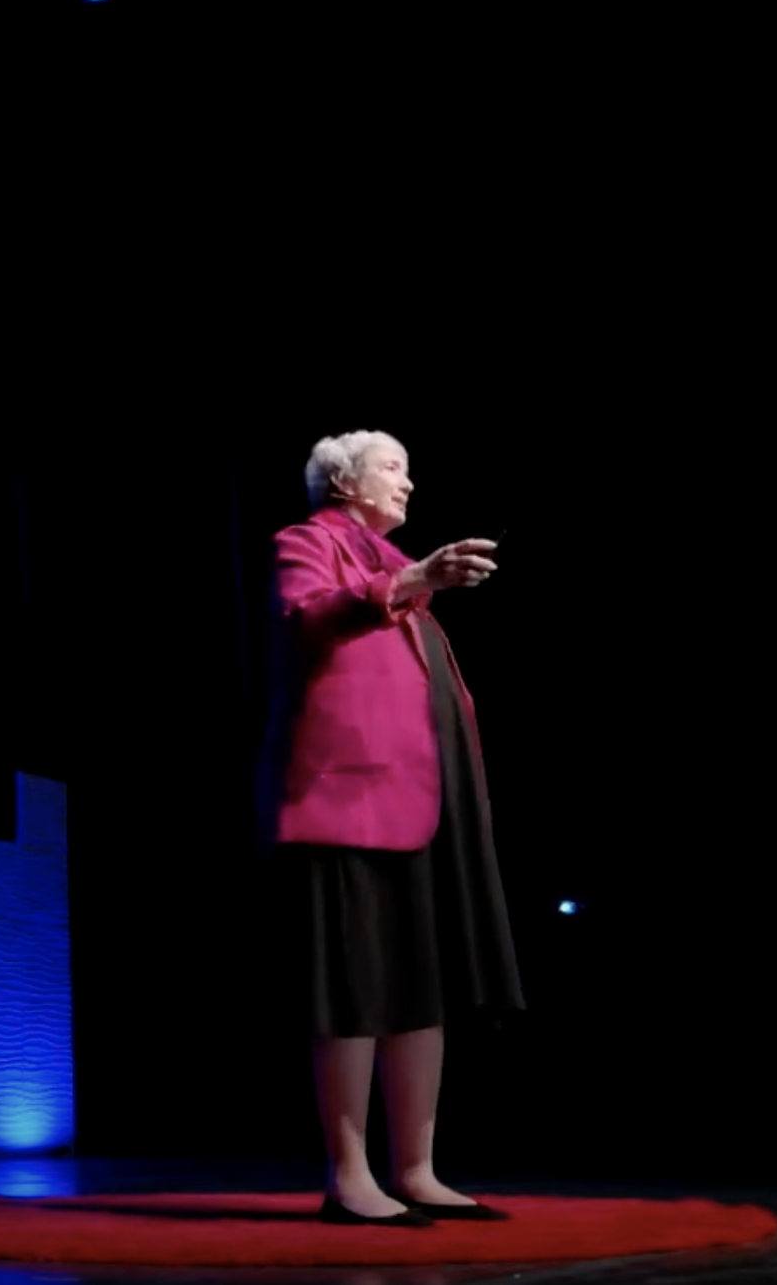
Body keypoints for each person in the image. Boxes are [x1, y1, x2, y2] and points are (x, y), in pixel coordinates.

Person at [268, 430, 525, 1225]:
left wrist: (411, 580)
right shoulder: (307, 542)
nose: (408, 485)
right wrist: (414, 577)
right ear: (344, 481)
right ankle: (350, 1177)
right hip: (349, 798)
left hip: (427, 798)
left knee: (422, 984)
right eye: (394, 469)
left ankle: (417, 1169)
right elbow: (304, 617)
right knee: (354, 987)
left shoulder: (392, 570)